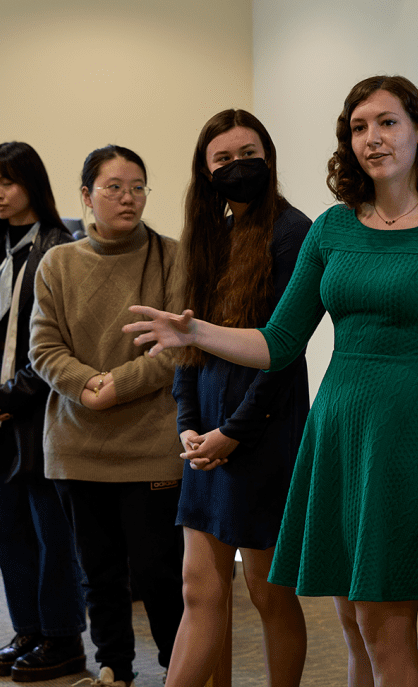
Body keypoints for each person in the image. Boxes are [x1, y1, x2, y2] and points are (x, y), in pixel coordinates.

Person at [124, 75, 418, 687]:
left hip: (407, 438)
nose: (373, 137)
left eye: (387, 122)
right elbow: (277, 343)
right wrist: (196, 333)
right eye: (359, 127)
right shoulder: (333, 228)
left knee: (384, 630)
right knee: (352, 624)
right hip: (336, 432)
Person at [164, 109, 311, 687]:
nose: (237, 166)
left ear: (268, 157)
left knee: (267, 592)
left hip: (264, 433)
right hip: (205, 435)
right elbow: (185, 339)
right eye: (223, 158)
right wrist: (188, 423)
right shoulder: (209, 235)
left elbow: (282, 352)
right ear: (206, 172)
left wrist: (234, 433)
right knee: (199, 590)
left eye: (248, 154)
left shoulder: (294, 232)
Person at [29, 145, 183, 687]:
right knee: (99, 573)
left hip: (151, 445)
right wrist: (87, 386)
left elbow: (177, 346)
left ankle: (178, 671)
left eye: (137, 187)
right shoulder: (58, 263)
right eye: (114, 187)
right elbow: (43, 347)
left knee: (159, 574)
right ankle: (114, 669)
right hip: (76, 444)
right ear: (86, 195)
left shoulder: (172, 257)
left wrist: (116, 386)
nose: (128, 198)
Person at [0, 141, 87, 683]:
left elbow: (64, 340)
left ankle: (63, 638)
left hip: (45, 416)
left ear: (32, 184)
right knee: (8, 535)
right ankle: (28, 630)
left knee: (53, 536)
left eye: (6, 182)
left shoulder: (62, 248)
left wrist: (14, 394)